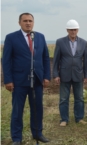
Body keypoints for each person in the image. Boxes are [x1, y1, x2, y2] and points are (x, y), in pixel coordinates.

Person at [2, 13, 50, 144]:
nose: (28, 23)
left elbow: (45, 58)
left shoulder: (40, 37)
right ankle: (17, 138)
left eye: (30, 21)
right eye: (25, 21)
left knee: (37, 108)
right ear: (19, 23)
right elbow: (6, 61)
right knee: (17, 110)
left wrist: (46, 76)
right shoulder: (11, 38)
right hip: (19, 81)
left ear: (33, 22)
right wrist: (8, 80)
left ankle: (37, 133)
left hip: (37, 80)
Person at [52, 19, 87, 126]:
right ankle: (64, 119)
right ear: (67, 30)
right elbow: (56, 60)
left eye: (74, 29)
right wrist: (56, 74)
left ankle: (79, 118)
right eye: (71, 30)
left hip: (78, 74)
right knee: (64, 98)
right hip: (64, 75)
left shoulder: (83, 43)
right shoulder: (60, 42)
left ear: (77, 30)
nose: (73, 32)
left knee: (79, 98)